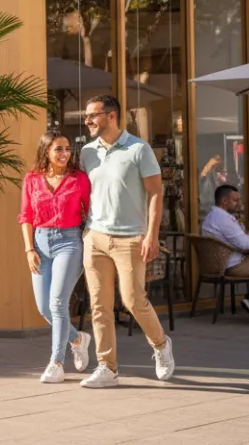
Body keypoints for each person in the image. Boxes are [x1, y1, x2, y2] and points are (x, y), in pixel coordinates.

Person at [79, 95, 175, 388]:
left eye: (93, 116)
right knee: (99, 305)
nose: (87, 122)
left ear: (111, 116)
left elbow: (156, 192)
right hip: (94, 237)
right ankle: (107, 367)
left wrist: (152, 235)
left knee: (133, 300)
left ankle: (160, 344)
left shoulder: (138, 149)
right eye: (87, 117)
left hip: (130, 238)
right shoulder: (87, 152)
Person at [18, 129, 93, 383]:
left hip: (69, 243)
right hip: (39, 244)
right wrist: (29, 249)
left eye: (67, 149)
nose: (64, 154)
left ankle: (56, 363)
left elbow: (91, 213)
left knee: (58, 303)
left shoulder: (78, 179)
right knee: (43, 307)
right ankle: (77, 338)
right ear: (46, 151)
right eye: (58, 149)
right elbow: (25, 217)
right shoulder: (31, 179)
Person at [201, 184, 249, 321]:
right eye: (236, 200)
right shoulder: (223, 219)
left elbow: (241, 237)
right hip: (232, 265)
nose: (239, 204)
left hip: (223, 263)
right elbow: (244, 243)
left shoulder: (213, 216)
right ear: (224, 201)